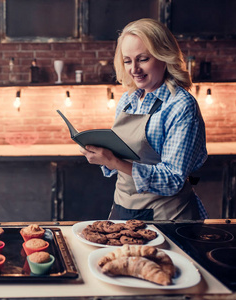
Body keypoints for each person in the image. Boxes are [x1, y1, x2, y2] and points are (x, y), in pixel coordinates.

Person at [80, 18, 208, 220]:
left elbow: (173, 179)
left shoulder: (182, 106)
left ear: (164, 56)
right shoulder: (129, 99)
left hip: (166, 216)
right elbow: (124, 155)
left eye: (143, 59)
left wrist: (113, 162)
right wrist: (102, 153)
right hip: (123, 208)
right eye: (127, 61)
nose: (134, 69)